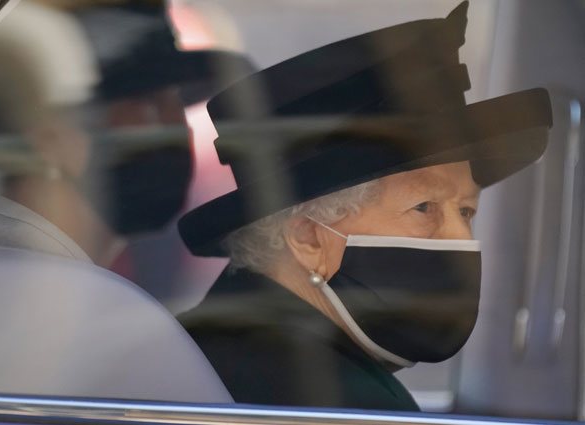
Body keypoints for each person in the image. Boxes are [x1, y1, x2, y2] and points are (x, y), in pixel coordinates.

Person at [178, 1, 552, 411]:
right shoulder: (333, 401)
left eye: (466, 211)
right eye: (425, 208)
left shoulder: (218, 344)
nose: (460, 238)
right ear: (309, 238)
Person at [0, 0, 253, 267]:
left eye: (177, 100)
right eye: (147, 102)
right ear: (47, 137)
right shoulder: (8, 281)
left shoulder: (105, 275)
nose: (174, 123)